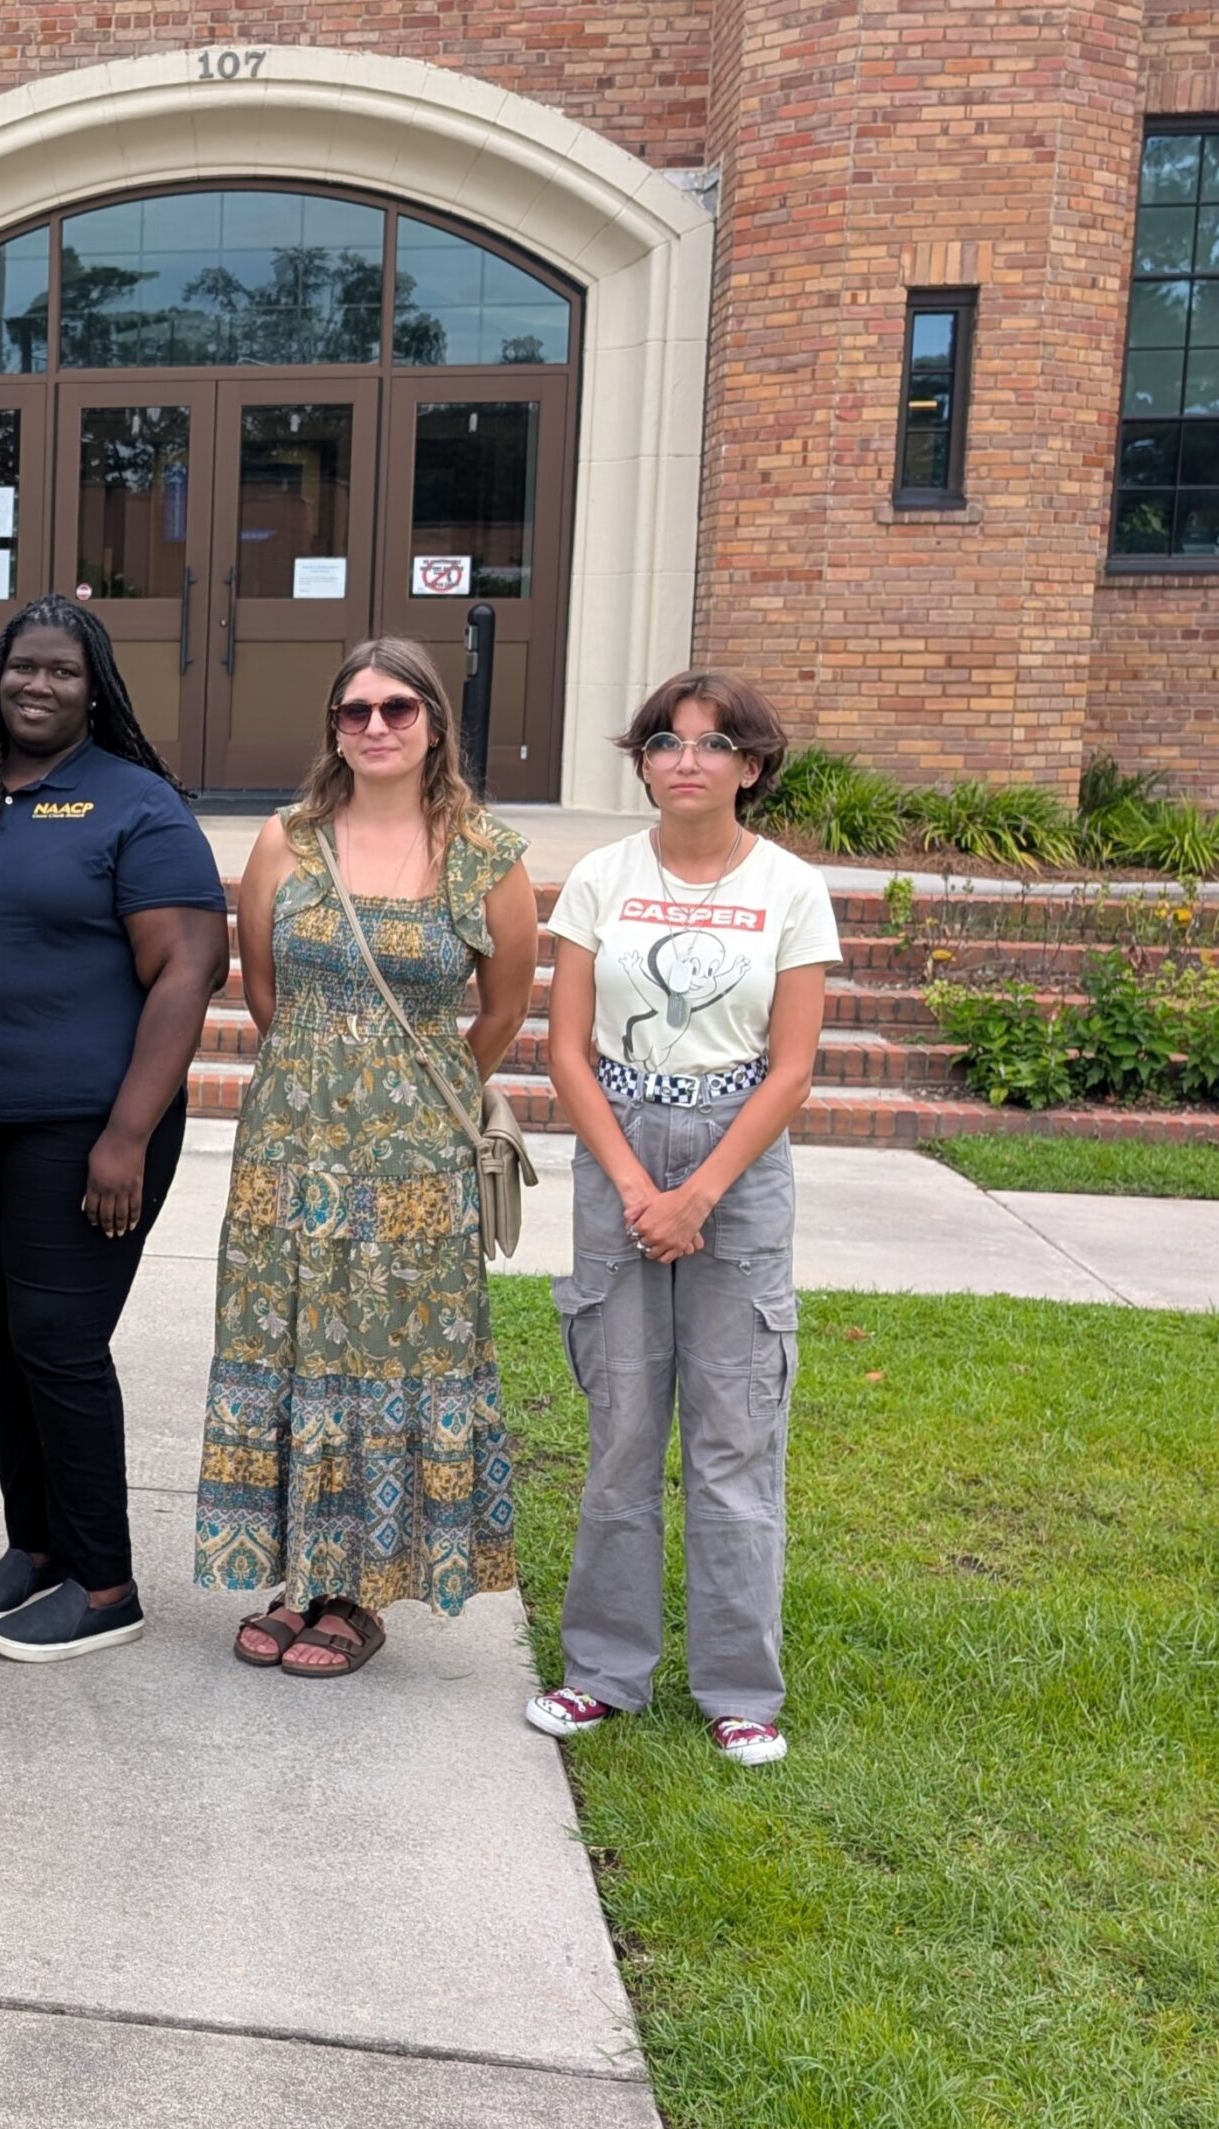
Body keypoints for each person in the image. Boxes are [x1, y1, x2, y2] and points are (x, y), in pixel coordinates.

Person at [196, 639, 539, 1676]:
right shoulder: (287, 841)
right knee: (291, 1342)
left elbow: (505, 1007)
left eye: (397, 708)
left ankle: (359, 1590)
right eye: (354, 711)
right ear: (332, 726)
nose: (376, 726)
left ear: (433, 720)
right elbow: (262, 992)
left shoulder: (485, 851)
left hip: (416, 1166)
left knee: (387, 1355)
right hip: (288, 1147)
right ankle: (296, 1571)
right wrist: (326, 1069)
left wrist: (406, 1087)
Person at [524, 671, 838, 1767]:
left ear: (751, 765)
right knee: (619, 1430)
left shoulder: (791, 888)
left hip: (738, 1165)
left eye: (713, 743)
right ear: (644, 760)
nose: (686, 759)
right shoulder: (602, 880)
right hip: (618, 1145)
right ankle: (602, 1671)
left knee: (734, 1429)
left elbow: (792, 1068)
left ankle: (738, 1687)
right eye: (665, 740)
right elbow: (563, 1047)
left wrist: (699, 1192)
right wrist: (633, 1186)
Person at [0, 595, 229, 1663]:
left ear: (94, 688)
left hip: (87, 1127)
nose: (36, 686)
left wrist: (126, 1135)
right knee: (6, 1338)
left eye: (60, 670)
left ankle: (103, 1580)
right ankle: (35, 1545)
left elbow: (189, 968)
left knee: (59, 1342)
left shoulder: (134, 805)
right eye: (19, 668)